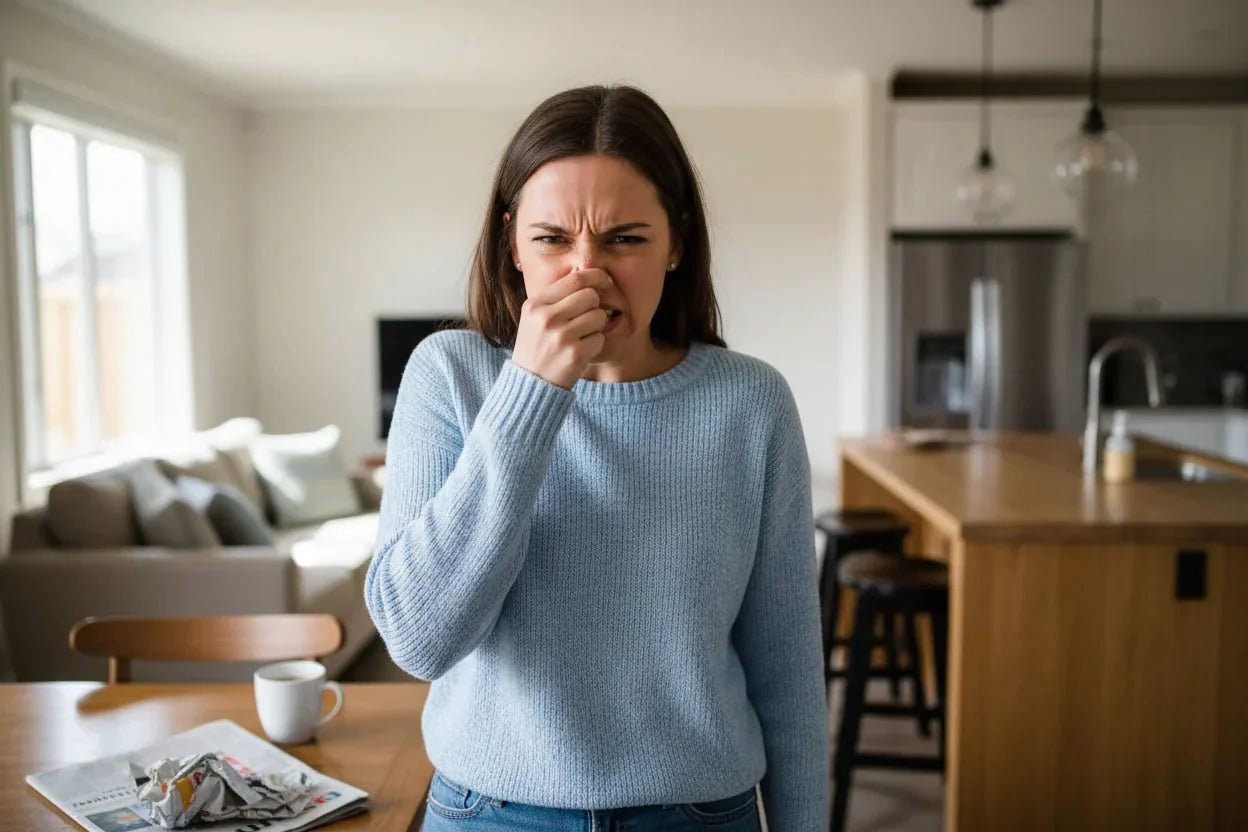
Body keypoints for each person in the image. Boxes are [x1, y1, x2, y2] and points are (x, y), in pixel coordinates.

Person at [364, 83, 829, 831]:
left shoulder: (751, 403)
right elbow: (420, 640)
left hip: (699, 813)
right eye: (552, 239)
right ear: (511, 242)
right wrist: (530, 392)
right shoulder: (448, 374)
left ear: (676, 243)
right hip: (492, 813)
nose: (588, 271)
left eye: (625, 239)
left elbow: (789, 672)